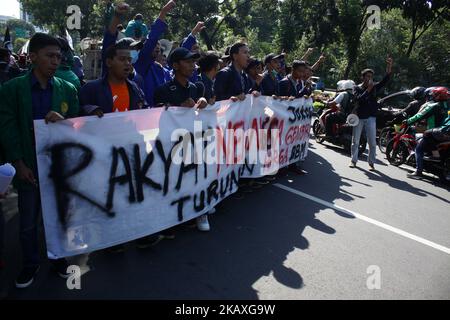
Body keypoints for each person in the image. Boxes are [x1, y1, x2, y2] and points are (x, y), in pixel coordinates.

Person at [0, 33, 79, 288]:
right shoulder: (12, 90)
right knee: (28, 222)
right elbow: (7, 127)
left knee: (56, 217)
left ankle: (56, 258)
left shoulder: (67, 89)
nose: (56, 61)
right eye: (49, 55)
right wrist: (18, 163)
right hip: (29, 168)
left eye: (58, 56)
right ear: (32, 57)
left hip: (57, 168)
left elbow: (77, 128)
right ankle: (30, 263)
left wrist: (65, 123)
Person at [153, 47, 212, 231]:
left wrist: (202, 101)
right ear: (176, 66)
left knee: (195, 177)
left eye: (194, 62)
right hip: (171, 145)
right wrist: (177, 107)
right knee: (174, 182)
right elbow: (156, 118)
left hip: (192, 142)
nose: (193, 66)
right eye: (188, 62)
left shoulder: (195, 88)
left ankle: (199, 211)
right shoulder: (163, 89)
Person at [80, 39, 148, 115]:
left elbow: (145, 110)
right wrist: (90, 110)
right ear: (109, 62)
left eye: (129, 60)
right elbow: (77, 112)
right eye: (122, 59)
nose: (127, 63)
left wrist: (161, 110)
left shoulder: (135, 88)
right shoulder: (91, 89)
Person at [350, 57, 393, 171]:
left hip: (370, 117)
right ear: (362, 77)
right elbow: (358, 99)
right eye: (367, 76)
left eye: (371, 77)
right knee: (356, 141)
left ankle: (371, 163)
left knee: (372, 142)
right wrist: (367, 90)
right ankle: (354, 161)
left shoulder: (374, 87)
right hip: (359, 117)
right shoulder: (356, 87)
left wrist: (389, 66)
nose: (369, 78)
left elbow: (385, 80)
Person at [133, 0, 177, 106]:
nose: (157, 48)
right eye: (154, 46)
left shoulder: (161, 70)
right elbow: (152, 38)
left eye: (159, 46)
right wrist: (163, 12)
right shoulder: (141, 65)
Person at [405, 87, 449, 178]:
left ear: (439, 96)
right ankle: (435, 155)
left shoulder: (434, 106)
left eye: (435, 94)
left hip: (436, 132)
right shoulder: (447, 105)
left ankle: (418, 171)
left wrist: (408, 121)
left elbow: (419, 116)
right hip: (445, 133)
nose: (433, 96)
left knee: (419, 149)